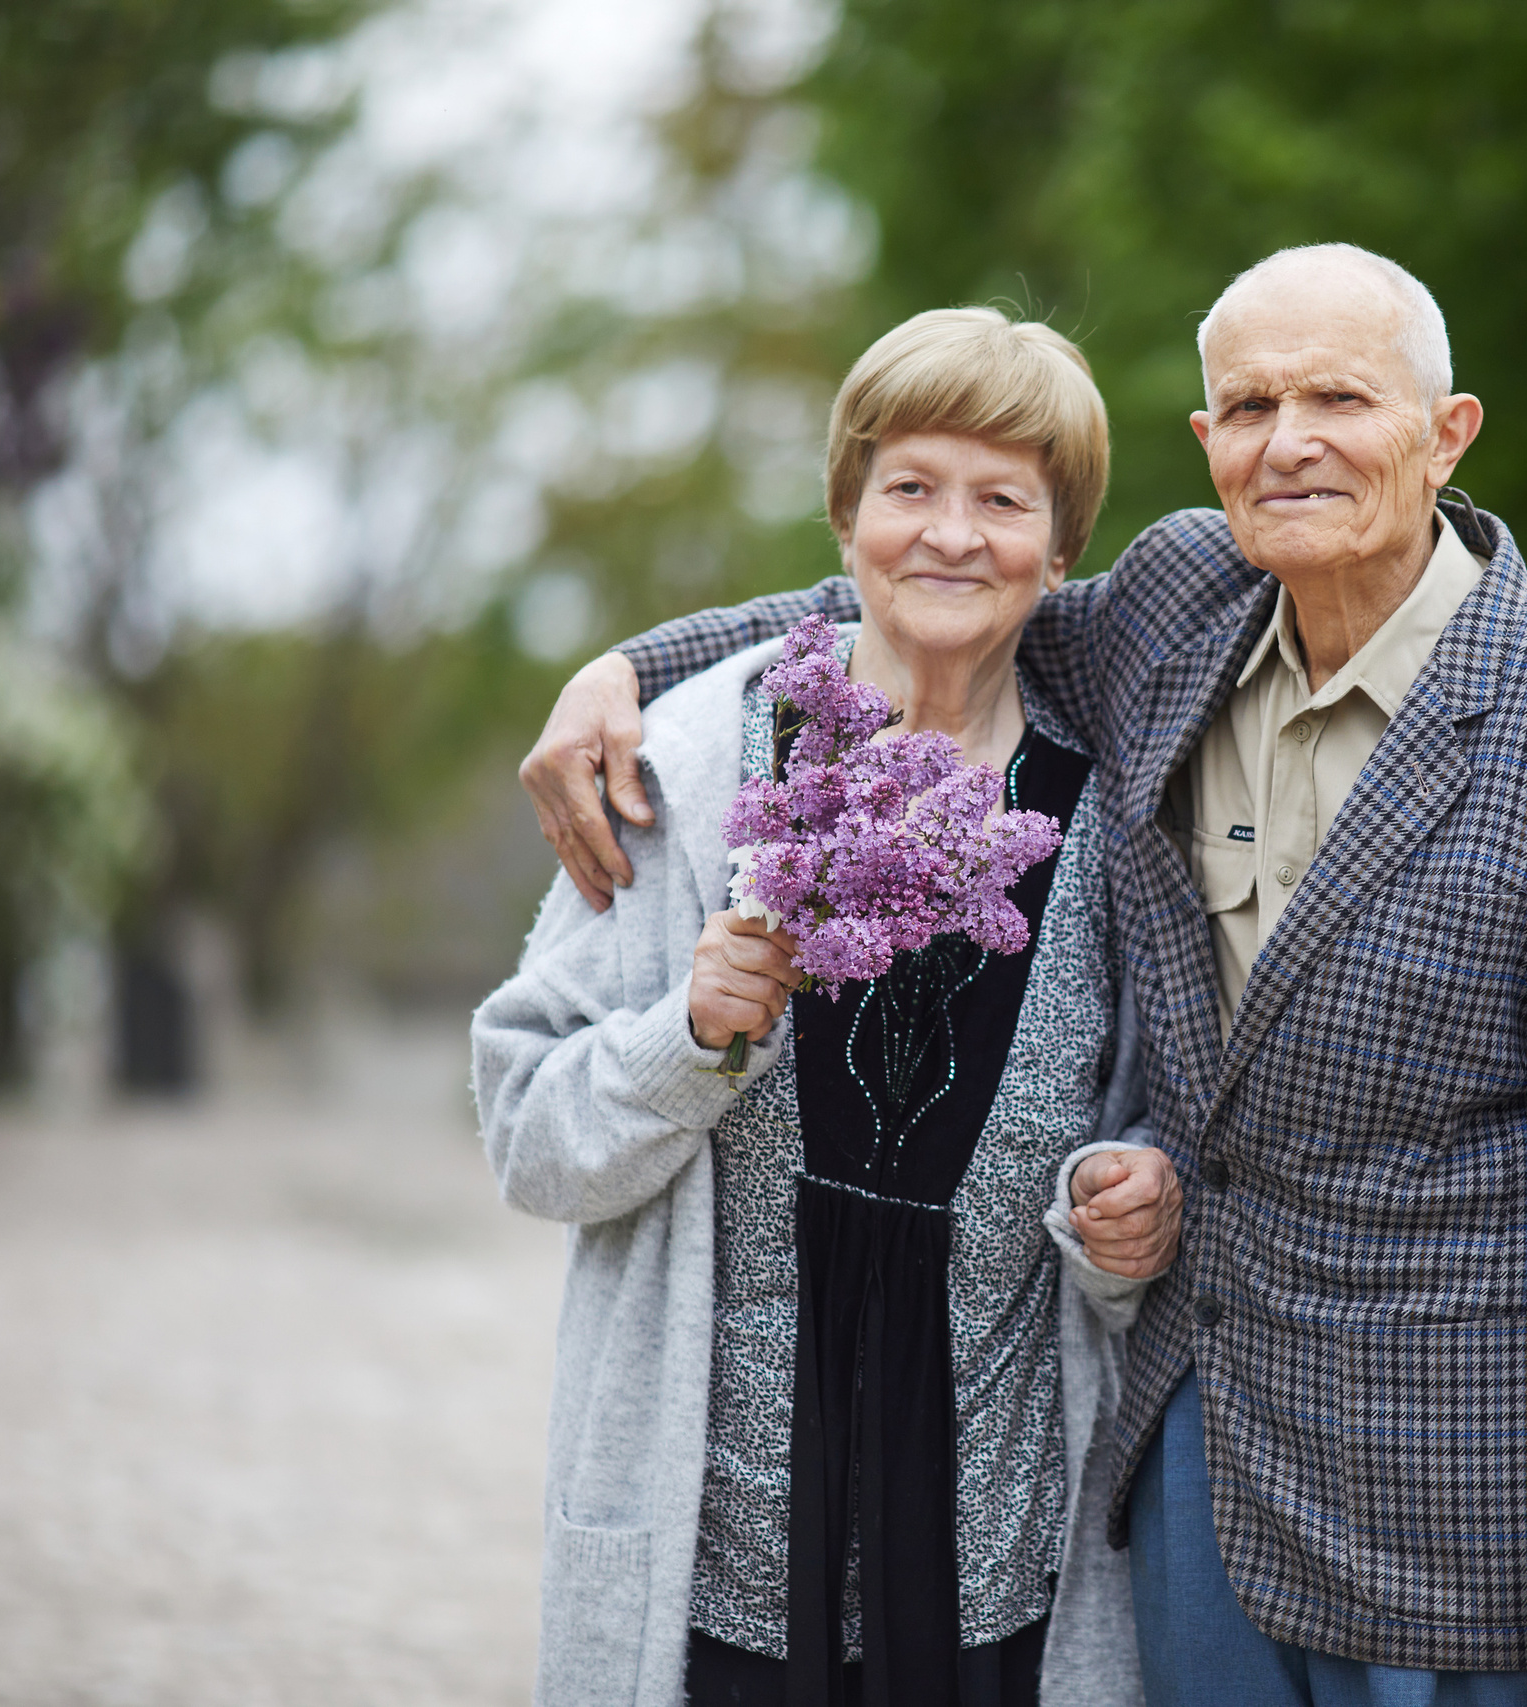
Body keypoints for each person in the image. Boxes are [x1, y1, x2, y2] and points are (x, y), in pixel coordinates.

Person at [523, 246, 1527, 1707]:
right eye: (1248, 406)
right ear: (1208, 447)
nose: (1288, 441)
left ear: (1449, 432)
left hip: (1458, 1518)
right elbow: (939, 588)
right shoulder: (1183, 606)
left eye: (1340, 399)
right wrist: (627, 667)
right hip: (1186, 1471)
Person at [473, 307, 1181, 1707]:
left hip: (995, 1558)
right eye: (910, 487)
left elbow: (1147, 1168)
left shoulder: (1113, 821)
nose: (951, 535)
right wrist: (682, 1039)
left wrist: (1126, 1218)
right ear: (847, 513)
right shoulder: (684, 767)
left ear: (1061, 548)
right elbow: (526, 1135)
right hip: (715, 1561)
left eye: (1002, 500)